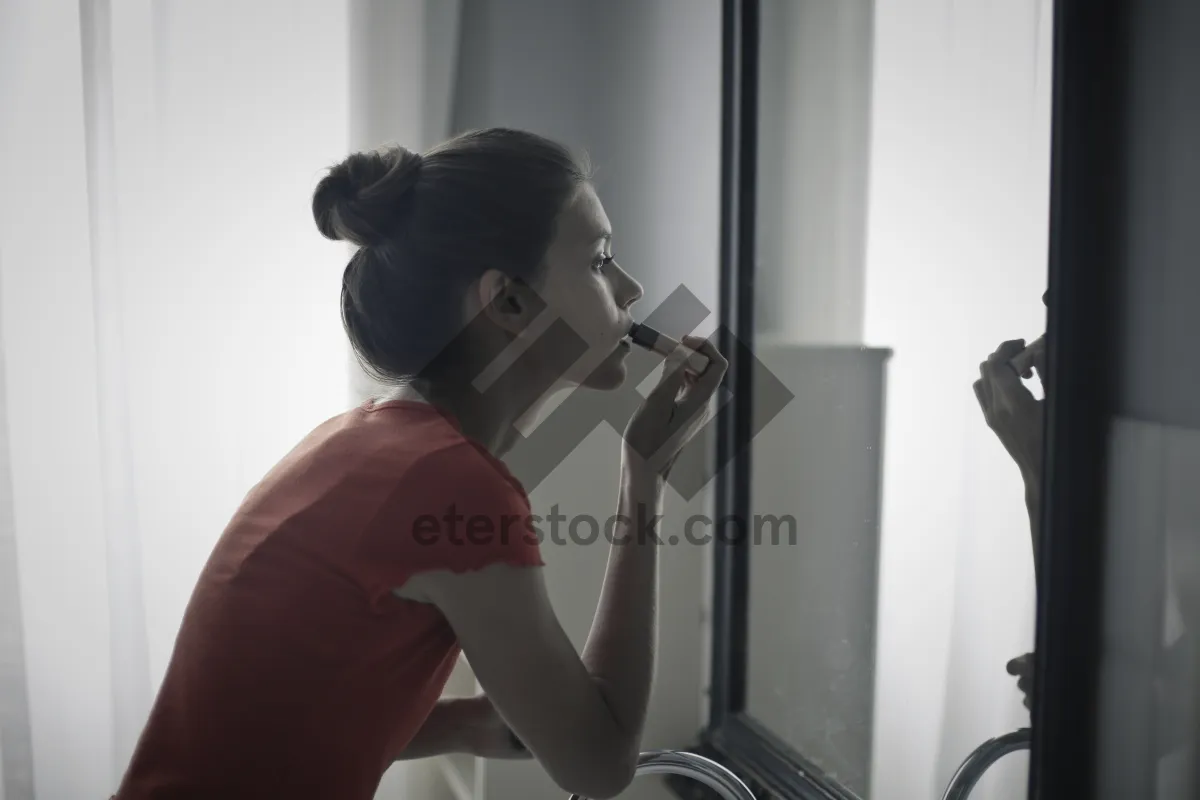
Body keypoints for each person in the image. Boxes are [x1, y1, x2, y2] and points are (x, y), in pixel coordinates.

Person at [112, 128, 728, 800]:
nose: (632, 288)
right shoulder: (451, 486)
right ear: (510, 302)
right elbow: (600, 768)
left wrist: (467, 727)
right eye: (601, 260)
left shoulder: (358, 443)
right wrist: (645, 478)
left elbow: (289, 710)